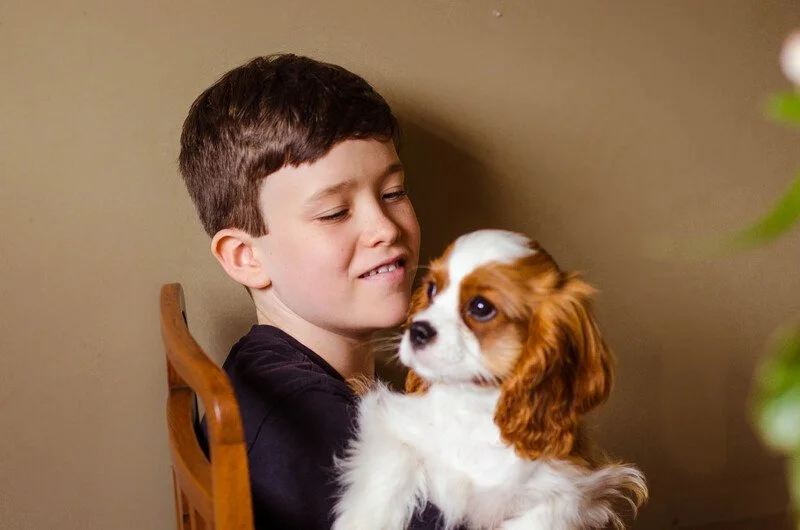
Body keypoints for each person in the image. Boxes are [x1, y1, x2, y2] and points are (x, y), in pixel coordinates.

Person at [178, 54, 449, 529]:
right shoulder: (306, 428)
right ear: (247, 258)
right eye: (333, 213)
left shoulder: (276, 369)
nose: (384, 228)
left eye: (393, 193)